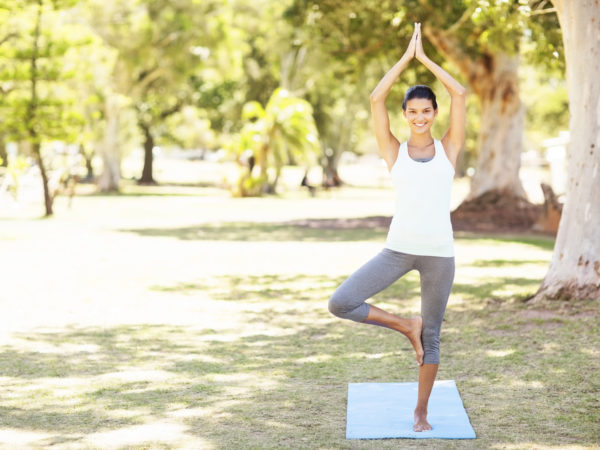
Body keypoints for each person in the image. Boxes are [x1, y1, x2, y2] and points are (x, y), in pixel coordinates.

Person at [327, 22, 465, 432]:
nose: (420, 117)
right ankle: (406, 326)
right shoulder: (394, 150)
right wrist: (405, 57)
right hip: (398, 249)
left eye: (426, 111)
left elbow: (459, 92)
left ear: (434, 114)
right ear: (404, 115)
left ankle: (421, 411)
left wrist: (426, 59)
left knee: (435, 336)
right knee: (341, 302)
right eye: (413, 111)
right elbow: (375, 97)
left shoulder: (449, 148)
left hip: (440, 253)